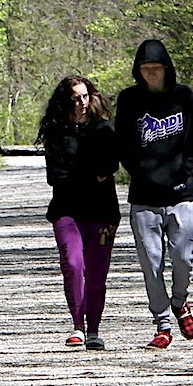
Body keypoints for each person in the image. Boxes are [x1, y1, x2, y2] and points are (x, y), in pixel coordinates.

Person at [115, 38, 193, 350]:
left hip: (182, 193)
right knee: (151, 263)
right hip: (144, 195)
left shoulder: (185, 97)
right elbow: (122, 142)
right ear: (138, 70)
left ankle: (180, 301)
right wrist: (138, 171)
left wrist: (185, 171)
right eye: (145, 68)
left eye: (156, 68)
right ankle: (163, 323)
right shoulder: (128, 100)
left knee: (184, 256)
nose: (151, 73)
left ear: (167, 68)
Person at [37, 75, 120, 350]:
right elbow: (56, 176)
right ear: (65, 101)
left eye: (85, 96)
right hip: (66, 210)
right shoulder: (56, 133)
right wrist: (90, 174)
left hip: (103, 211)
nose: (81, 102)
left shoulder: (104, 130)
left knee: (97, 273)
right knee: (73, 265)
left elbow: (109, 168)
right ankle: (78, 326)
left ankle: (94, 329)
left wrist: (82, 173)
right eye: (75, 98)